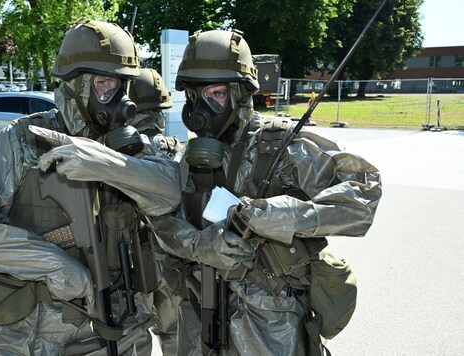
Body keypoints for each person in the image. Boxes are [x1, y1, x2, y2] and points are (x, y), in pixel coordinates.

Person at [0, 20, 182, 355]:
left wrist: (105, 163)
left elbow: (170, 191)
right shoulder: (20, 143)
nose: (117, 98)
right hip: (38, 335)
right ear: (74, 85)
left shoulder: (130, 147)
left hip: (124, 329)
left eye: (122, 85)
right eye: (104, 83)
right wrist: (58, 266)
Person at [147, 29, 382, 355]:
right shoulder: (193, 157)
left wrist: (288, 215)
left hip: (271, 326)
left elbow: (364, 190)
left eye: (215, 94)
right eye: (195, 96)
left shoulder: (281, 144)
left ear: (240, 94)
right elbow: (164, 221)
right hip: (200, 311)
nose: (202, 109)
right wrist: (199, 245)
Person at [128, 68, 184, 355]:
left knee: (133, 339)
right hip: (172, 265)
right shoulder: (176, 151)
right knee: (176, 335)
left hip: (130, 267)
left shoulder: (113, 154)